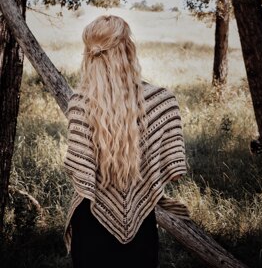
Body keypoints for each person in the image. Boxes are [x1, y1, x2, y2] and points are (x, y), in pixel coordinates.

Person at [63, 14, 189, 268]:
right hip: (141, 221)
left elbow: (80, 173)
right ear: (129, 49)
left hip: (90, 220)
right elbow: (174, 172)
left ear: (89, 53)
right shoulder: (162, 102)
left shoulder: (80, 104)